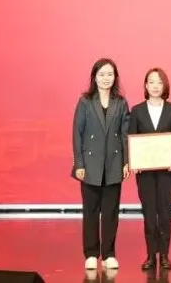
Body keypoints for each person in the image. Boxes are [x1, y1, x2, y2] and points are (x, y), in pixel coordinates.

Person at [71, 57, 130, 270]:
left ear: (115, 77)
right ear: (94, 77)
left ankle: (108, 254)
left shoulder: (121, 103)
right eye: (102, 74)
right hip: (90, 165)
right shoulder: (85, 102)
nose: (106, 78)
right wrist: (79, 163)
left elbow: (125, 136)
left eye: (110, 74)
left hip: (114, 164)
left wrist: (126, 162)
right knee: (91, 211)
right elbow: (77, 134)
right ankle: (91, 253)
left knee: (111, 212)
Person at [128, 68, 171, 271]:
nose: (155, 86)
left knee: (165, 212)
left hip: (167, 170)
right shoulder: (136, 110)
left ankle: (165, 255)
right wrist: (134, 161)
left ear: (165, 85)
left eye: (159, 82)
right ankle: (151, 255)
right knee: (149, 213)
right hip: (145, 172)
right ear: (145, 85)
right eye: (151, 82)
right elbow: (132, 137)